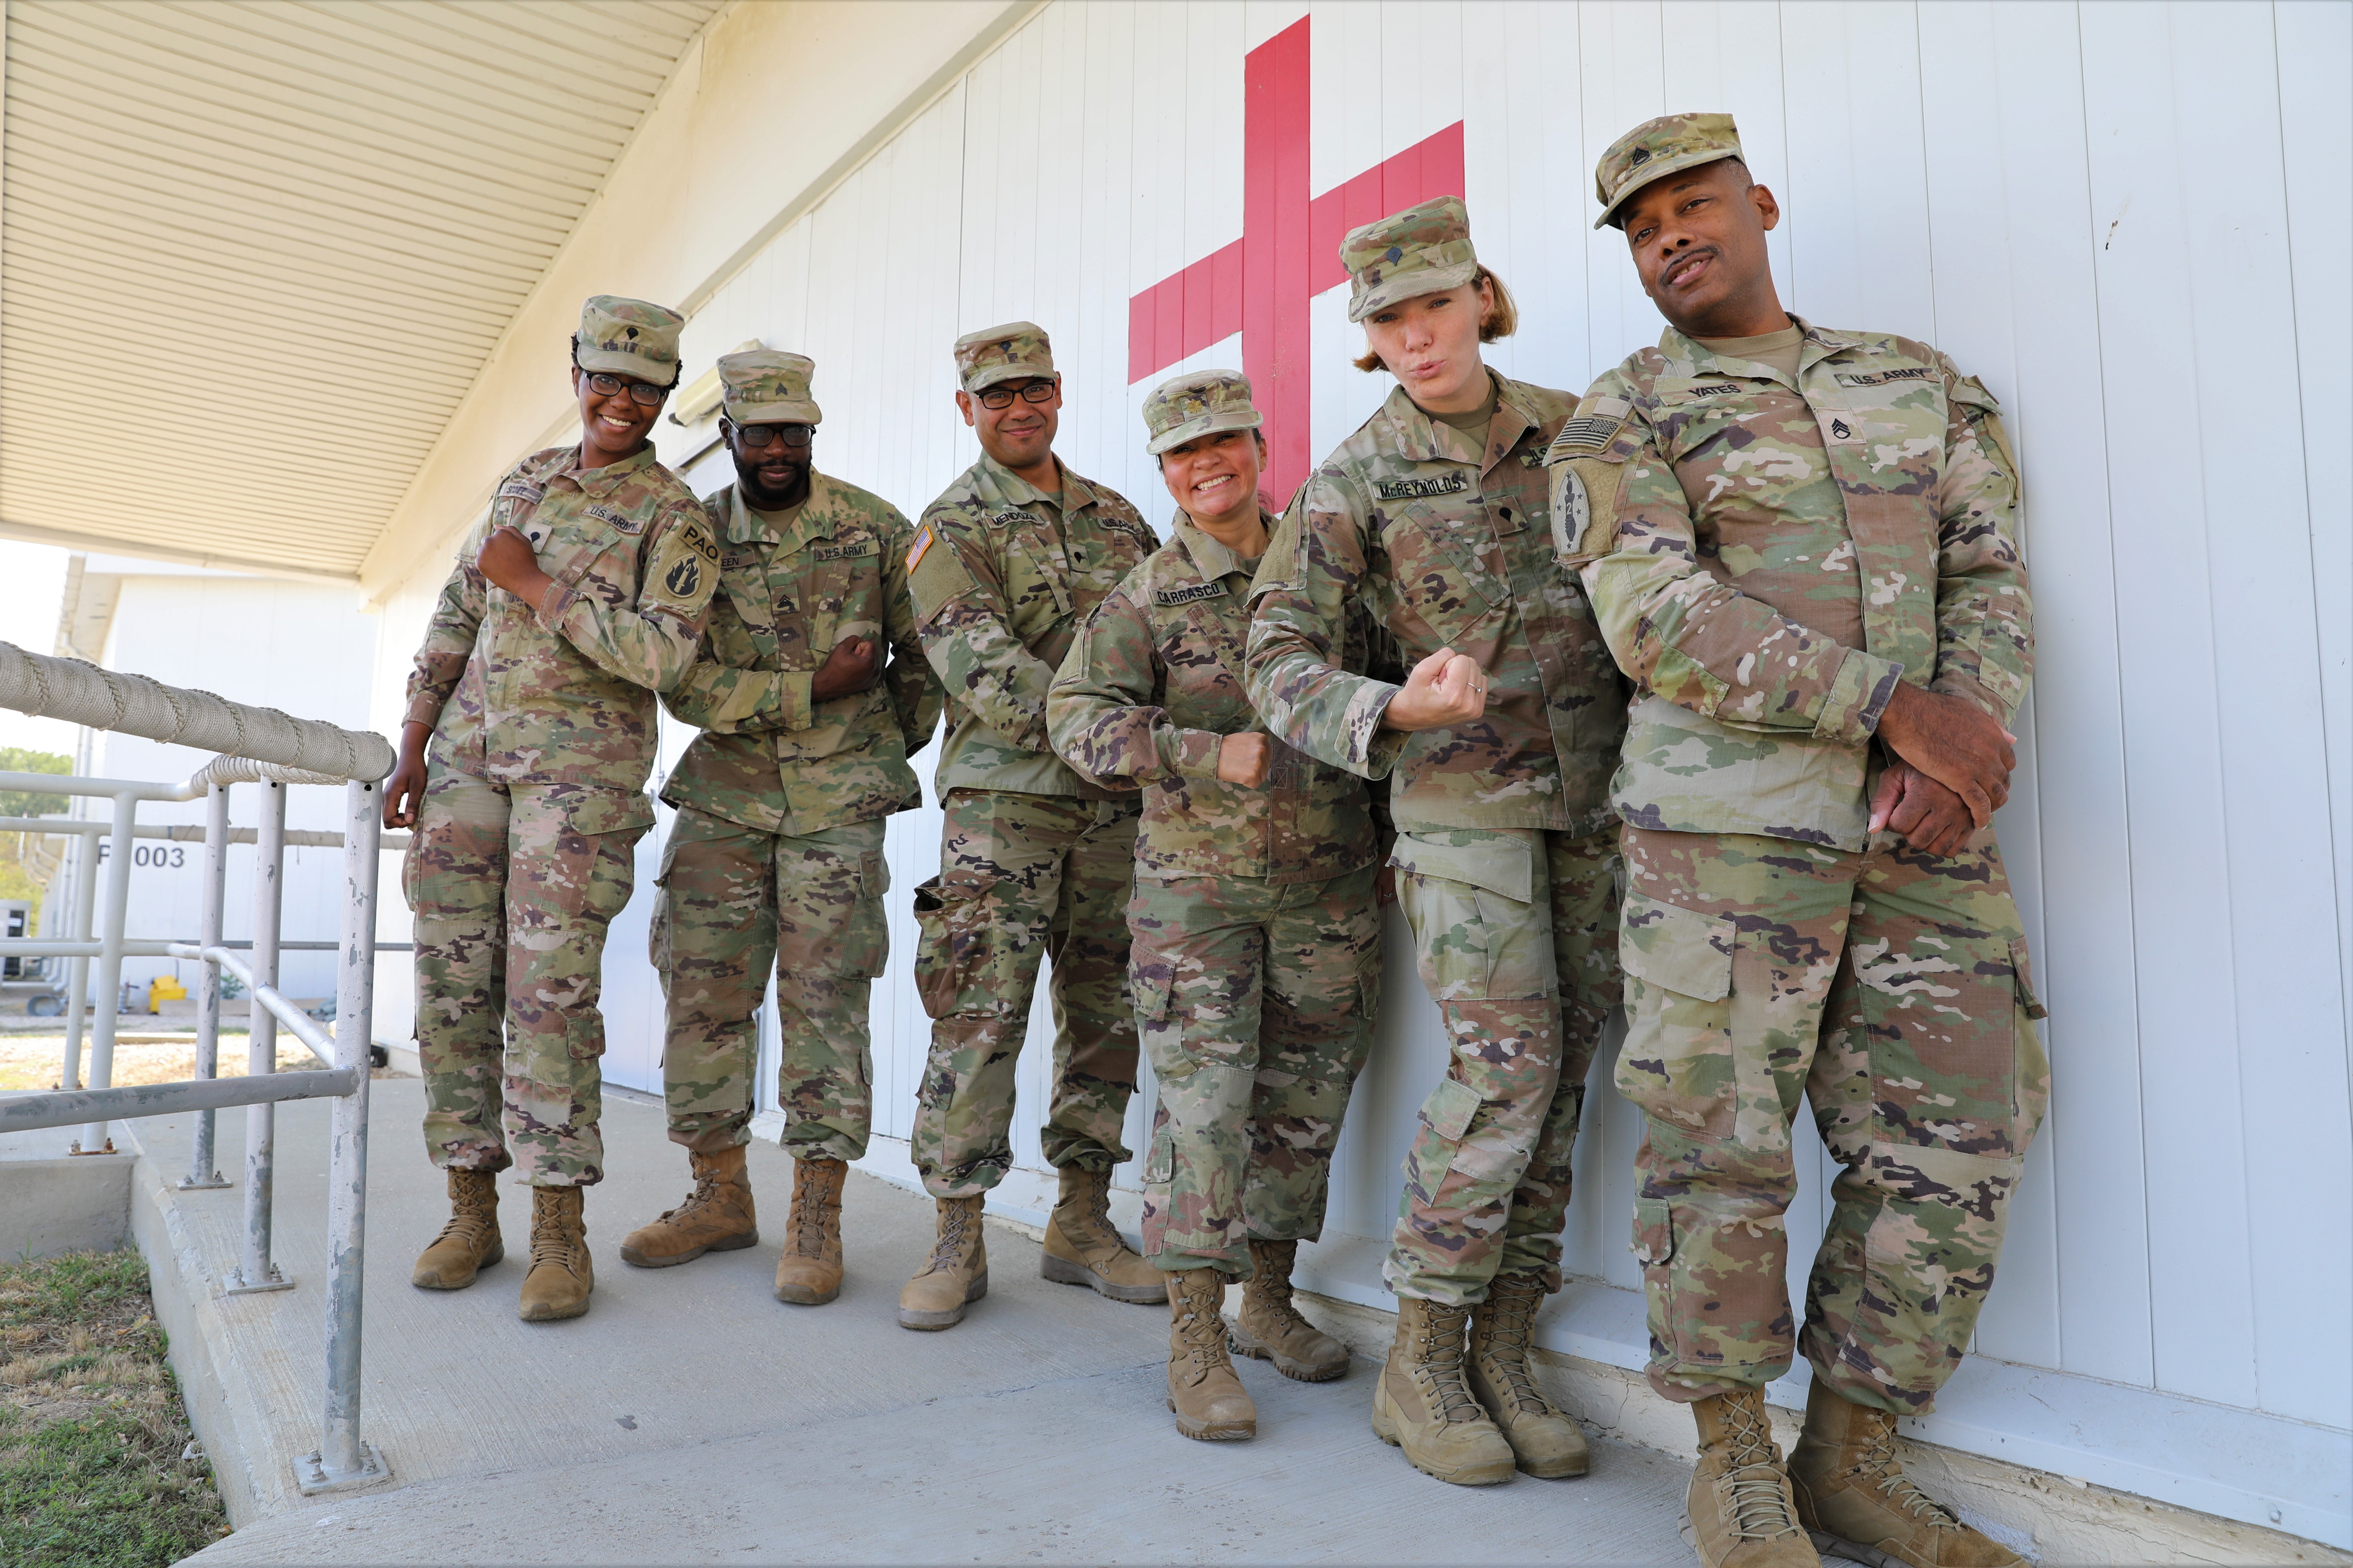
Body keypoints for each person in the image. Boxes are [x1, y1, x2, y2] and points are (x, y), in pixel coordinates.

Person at [1567, 113, 2042, 1568]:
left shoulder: (1917, 383)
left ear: (1757, 204)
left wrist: (1968, 748)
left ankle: (1853, 1457)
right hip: (1724, 842)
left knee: (1953, 1139)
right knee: (1717, 1154)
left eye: (1693, 206)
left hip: (1920, 841)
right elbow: (1651, 616)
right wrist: (1890, 708)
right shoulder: (1623, 412)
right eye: (1642, 229)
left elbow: (1988, 572)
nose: (1670, 239)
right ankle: (1732, 1463)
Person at [1244, 197, 1631, 1487]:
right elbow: (1274, 657)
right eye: (1388, 320)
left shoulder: (1579, 430)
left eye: (1433, 306)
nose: (1416, 337)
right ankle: (1423, 1353)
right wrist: (1389, 705)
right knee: (1507, 1066)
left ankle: (1507, 1348)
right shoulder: (1353, 476)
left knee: (1571, 1065)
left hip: (1593, 799)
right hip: (1461, 807)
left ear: (1481, 296)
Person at [1048, 370, 1393, 1442]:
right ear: (1166, 473)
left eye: (1223, 443)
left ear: (1257, 443)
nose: (1207, 466)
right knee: (1202, 1109)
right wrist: (1194, 749)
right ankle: (1194, 1332)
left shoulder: (1328, 571)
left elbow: (1389, 692)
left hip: (1329, 888)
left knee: (1304, 1102)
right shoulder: (1147, 593)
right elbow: (1073, 714)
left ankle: (1269, 1301)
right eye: (1183, 455)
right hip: (1195, 897)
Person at [386, 295, 718, 1322]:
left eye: (644, 384)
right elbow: (454, 610)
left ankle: (559, 1233)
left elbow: (665, 655)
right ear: (576, 375)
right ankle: (471, 1210)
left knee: (549, 999)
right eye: (605, 376)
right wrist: (411, 736)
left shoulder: (676, 516)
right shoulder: (523, 480)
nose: (621, 398)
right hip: (468, 766)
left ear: (665, 395)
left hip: (577, 782)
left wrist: (537, 586)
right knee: (453, 984)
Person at [618, 350, 941, 1307]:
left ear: (812, 434)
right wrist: (815, 692)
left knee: (827, 1004)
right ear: (728, 437)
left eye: (791, 433)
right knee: (702, 994)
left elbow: (924, 657)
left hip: (838, 809)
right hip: (722, 800)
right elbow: (678, 679)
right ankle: (718, 1194)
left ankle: (816, 1214)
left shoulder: (877, 528)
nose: (774, 449)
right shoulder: (693, 539)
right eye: (757, 433)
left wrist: (871, 740)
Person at [898, 322, 1162, 1330]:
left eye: (1034, 389)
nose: (1019, 408)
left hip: (1115, 815)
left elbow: (1164, 639)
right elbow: (986, 671)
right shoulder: (949, 528)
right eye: (996, 394)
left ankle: (1083, 1221)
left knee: (1106, 1015)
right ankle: (958, 1236)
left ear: (1059, 391)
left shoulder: (1120, 519)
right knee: (981, 1017)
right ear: (967, 407)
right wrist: (1126, 735)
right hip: (1005, 810)